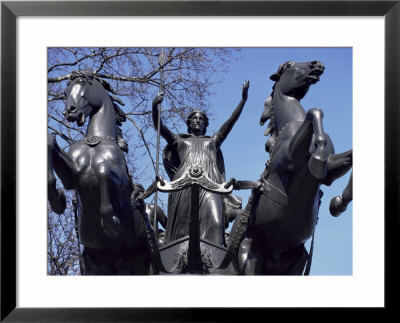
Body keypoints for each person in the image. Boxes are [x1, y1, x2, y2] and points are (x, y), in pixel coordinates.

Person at [152, 81, 250, 246]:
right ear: (188, 123)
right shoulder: (179, 141)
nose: (198, 121)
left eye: (201, 119)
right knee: (181, 227)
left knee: (215, 222)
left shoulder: (213, 142)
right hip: (183, 186)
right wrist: (155, 107)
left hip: (210, 186)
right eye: (194, 118)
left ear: (206, 124)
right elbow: (159, 126)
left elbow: (231, 121)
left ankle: (215, 255)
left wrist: (243, 100)